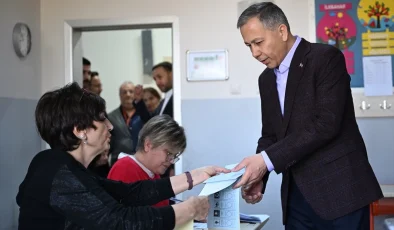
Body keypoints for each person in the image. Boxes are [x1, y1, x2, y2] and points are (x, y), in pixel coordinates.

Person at [232, 2, 383, 229]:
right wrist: (259, 177)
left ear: (282, 31)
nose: (254, 53)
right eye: (248, 46)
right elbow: (271, 135)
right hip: (296, 198)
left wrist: (264, 161)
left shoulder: (326, 59)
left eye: (258, 42)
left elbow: (326, 124)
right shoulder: (265, 80)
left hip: (341, 194)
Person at [16, 82, 230, 230]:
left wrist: (195, 176)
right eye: (102, 119)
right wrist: (190, 209)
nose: (110, 126)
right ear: (80, 130)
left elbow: (129, 193)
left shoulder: (65, 168)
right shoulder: (58, 174)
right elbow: (121, 222)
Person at [108, 114, 186, 207]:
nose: (171, 161)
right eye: (169, 153)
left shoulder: (153, 173)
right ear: (148, 145)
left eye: (174, 156)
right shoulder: (125, 169)